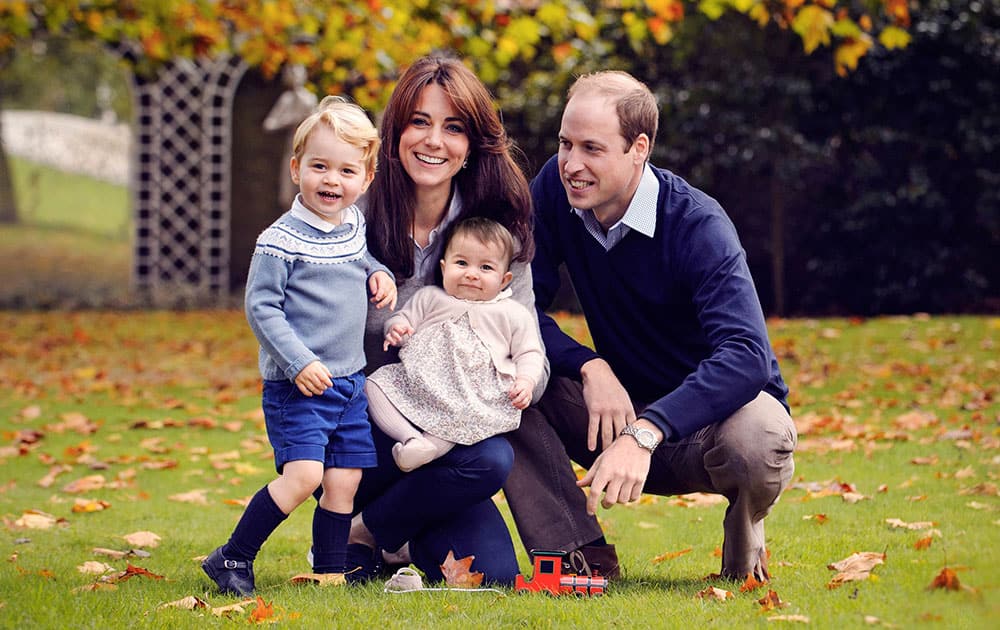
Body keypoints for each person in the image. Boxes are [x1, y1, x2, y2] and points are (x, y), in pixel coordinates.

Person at [503, 71, 797, 583]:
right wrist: (589, 365)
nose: (572, 164)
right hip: (612, 412)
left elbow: (747, 354)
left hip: (709, 427)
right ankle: (579, 555)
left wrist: (647, 431)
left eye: (592, 148)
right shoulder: (554, 189)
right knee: (503, 374)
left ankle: (743, 544)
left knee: (762, 436)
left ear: (638, 148)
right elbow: (514, 308)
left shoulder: (698, 225)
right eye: (565, 144)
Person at [328, 55, 548, 586]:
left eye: (453, 127)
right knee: (479, 459)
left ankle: (367, 532)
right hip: (365, 434)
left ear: (472, 144)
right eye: (419, 122)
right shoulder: (349, 220)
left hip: (452, 443)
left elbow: (527, 343)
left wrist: (520, 382)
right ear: (395, 129)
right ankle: (368, 526)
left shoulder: (495, 237)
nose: (433, 141)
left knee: (492, 570)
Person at [203, 96, 397, 596]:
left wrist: (378, 273)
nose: (332, 180)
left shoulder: (352, 225)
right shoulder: (279, 240)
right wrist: (298, 362)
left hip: (349, 382)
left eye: (346, 170)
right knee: (305, 475)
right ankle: (231, 558)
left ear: (366, 178)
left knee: (344, 482)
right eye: (319, 167)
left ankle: (329, 572)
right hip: (299, 385)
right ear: (297, 169)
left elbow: (362, 260)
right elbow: (262, 308)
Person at [367, 216, 545, 472]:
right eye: (461, 263)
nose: (471, 274)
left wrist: (526, 381)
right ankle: (411, 439)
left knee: (460, 418)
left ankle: (427, 448)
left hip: (472, 393)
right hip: (419, 381)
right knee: (373, 386)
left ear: (504, 280)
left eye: (486, 268)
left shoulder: (512, 314)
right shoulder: (430, 298)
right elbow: (403, 319)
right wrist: (397, 329)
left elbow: (529, 352)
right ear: (443, 267)